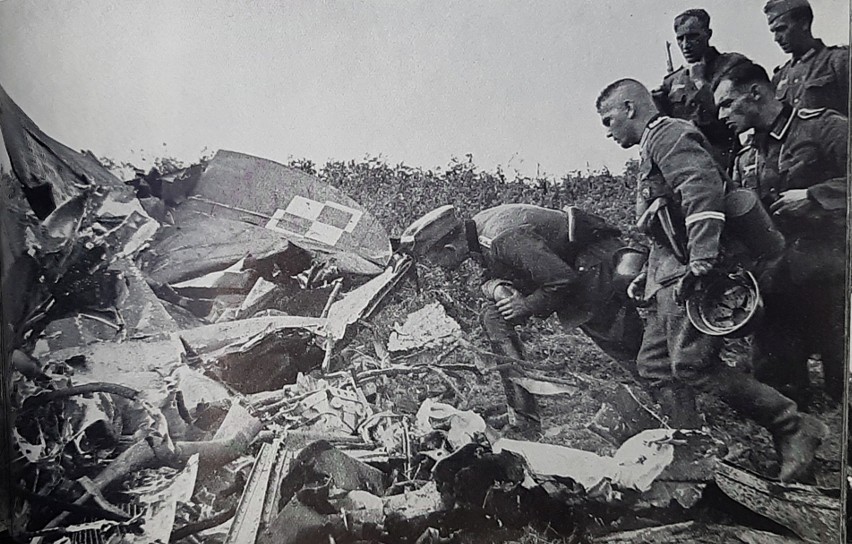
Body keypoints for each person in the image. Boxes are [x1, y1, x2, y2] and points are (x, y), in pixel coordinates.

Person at [595, 77, 826, 482]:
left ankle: (792, 425)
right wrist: (649, 275)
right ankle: (690, 453)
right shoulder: (653, 145)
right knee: (655, 365)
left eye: (609, 119)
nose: (608, 130)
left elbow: (701, 191)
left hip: (701, 267)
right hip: (671, 273)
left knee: (690, 365)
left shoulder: (668, 134)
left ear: (630, 108)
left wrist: (702, 259)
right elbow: (667, 222)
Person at [399, 203, 644, 436]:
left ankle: (668, 410)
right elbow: (491, 274)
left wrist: (525, 305)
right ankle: (523, 416)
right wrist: (496, 288)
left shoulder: (502, 238)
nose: (439, 267)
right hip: (570, 267)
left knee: (634, 352)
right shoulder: (477, 233)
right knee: (493, 316)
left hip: (593, 266)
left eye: (435, 260)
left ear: (449, 249)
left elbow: (561, 280)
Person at [713, 60, 847, 406]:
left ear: (755, 92)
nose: (722, 114)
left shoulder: (822, 128)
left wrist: (815, 197)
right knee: (778, 382)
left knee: (843, 384)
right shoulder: (745, 156)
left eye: (727, 103)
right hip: (777, 282)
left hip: (833, 276)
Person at [651, 9, 749, 172]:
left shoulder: (732, 65)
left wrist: (699, 82)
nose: (685, 45)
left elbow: (740, 111)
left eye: (692, 36)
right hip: (689, 166)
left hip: (728, 162)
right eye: (680, 39)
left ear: (708, 34)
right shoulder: (673, 81)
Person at [764, 0, 849, 115]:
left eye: (781, 29)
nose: (776, 38)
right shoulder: (779, 77)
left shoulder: (838, 61)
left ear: (804, 23)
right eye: (773, 31)